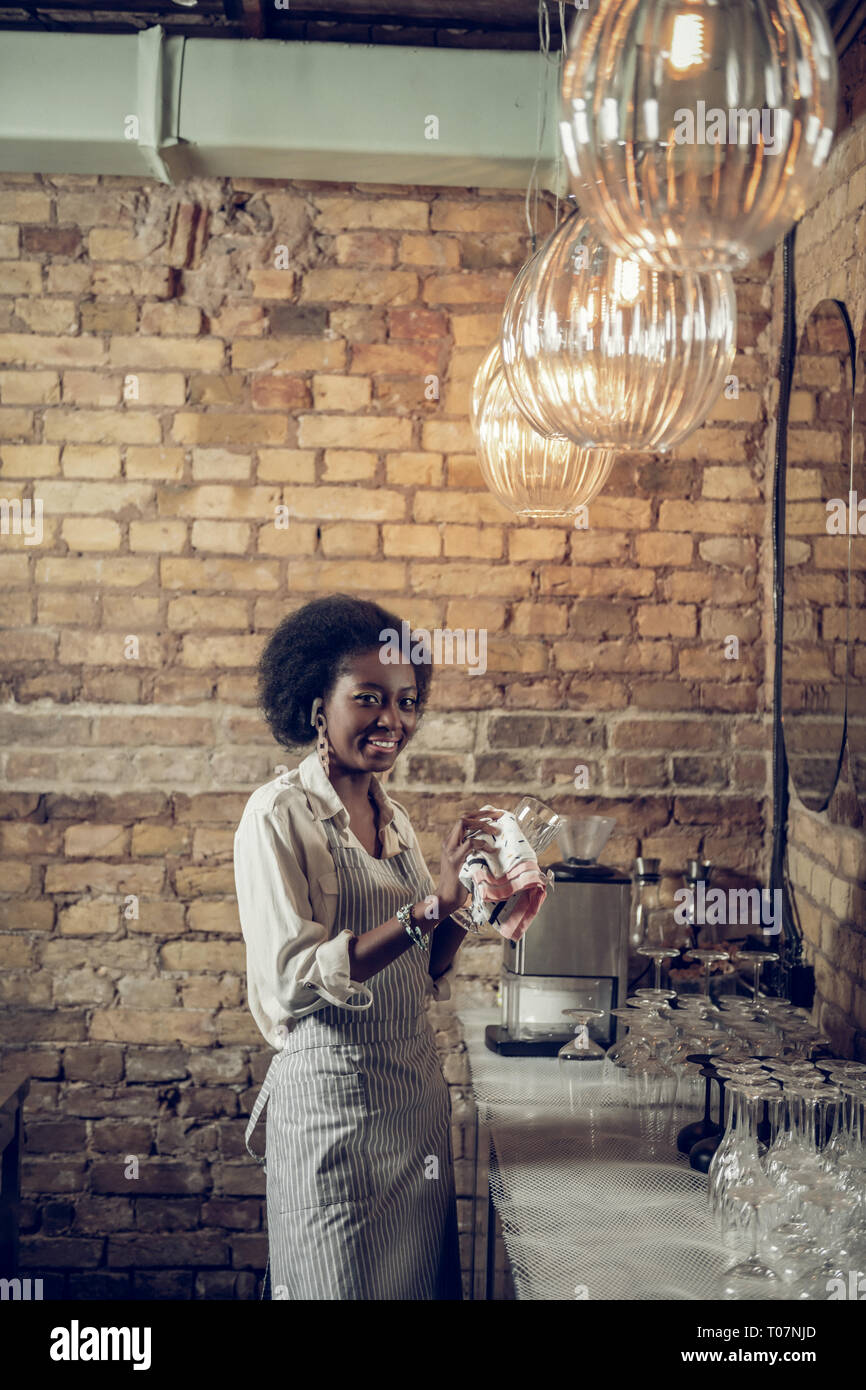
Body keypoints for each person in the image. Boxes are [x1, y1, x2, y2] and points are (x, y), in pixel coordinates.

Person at [234, 594, 498, 1300]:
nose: (394, 720)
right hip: (332, 1117)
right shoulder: (278, 814)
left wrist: (466, 902)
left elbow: (427, 968)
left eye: (408, 702)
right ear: (319, 705)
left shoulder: (396, 818)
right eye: (370, 699)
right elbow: (293, 981)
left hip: (414, 1108)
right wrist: (425, 908)